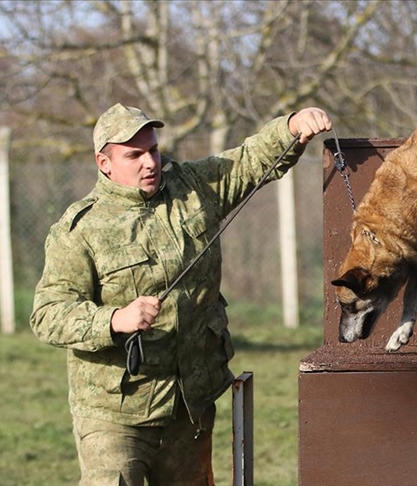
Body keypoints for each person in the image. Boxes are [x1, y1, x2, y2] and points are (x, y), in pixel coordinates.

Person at [30, 103, 332, 485]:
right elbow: (47, 313)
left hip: (189, 405)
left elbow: (247, 162)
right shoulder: (80, 230)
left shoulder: (192, 189)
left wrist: (290, 128)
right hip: (115, 415)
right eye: (134, 155)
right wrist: (113, 319)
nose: (150, 162)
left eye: (153, 150)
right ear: (103, 163)